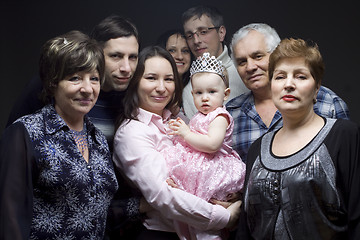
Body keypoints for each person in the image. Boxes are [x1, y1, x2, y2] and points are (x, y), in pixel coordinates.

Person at [236, 38, 360, 239]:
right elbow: (245, 229)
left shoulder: (343, 135)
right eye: (280, 77)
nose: (289, 84)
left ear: (317, 88)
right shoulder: (257, 149)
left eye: (300, 77)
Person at [113, 46, 241, 240]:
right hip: (162, 234)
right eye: (151, 78)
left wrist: (229, 197)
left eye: (169, 79)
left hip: (198, 231)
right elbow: (164, 195)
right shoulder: (132, 132)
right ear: (135, 81)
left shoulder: (178, 119)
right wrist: (226, 216)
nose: (162, 87)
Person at [0, 30, 118, 239]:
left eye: (94, 78)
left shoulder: (98, 139)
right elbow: (9, 217)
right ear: (53, 83)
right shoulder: (26, 132)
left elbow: (102, 211)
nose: (88, 89)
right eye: (75, 78)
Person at [226, 23, 350, 162]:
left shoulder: (328, 102)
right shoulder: (230, 113)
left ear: (276, 56)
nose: (250, 67)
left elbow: (348, 165)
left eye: (258, 56)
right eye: (242, 62)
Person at [163, 52, 246, 240]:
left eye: (211, 92)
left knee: (209, 223)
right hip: (200, 166)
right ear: (192, 94)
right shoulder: (198, 116)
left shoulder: (219, 116)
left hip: (214, 167)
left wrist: (186, 134)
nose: (205, 98)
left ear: (225, 94)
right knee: (191, 212)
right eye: (199, 93)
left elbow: (212, 145)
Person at [181, 5, 249, 118]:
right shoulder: (190, 90)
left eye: (203, 32)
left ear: (221, 33)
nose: (196, 41)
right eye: (189, 36)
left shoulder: (244, 72)